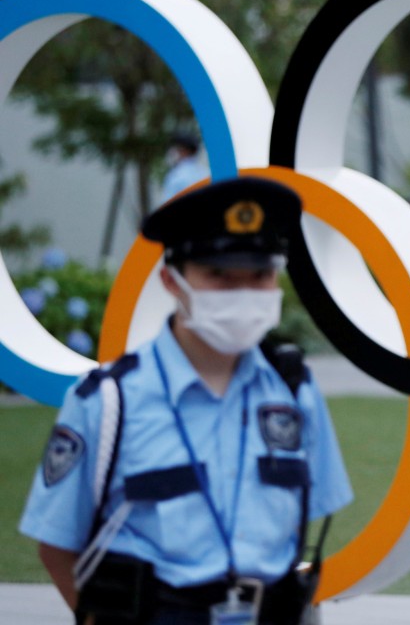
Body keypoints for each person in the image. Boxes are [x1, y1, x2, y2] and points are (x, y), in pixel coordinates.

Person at [20, 176, 353, 624]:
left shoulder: (294, 390)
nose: (243, 293)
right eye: (219, 275)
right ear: (172, 280)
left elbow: (303, 524)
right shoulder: (109, 399)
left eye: (259, 275)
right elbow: (57, 546)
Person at [160, 132, 209, 204]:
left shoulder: (175, 176)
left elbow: (167, 205)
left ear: (184, 151)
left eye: (176, 149)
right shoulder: (206, 173)